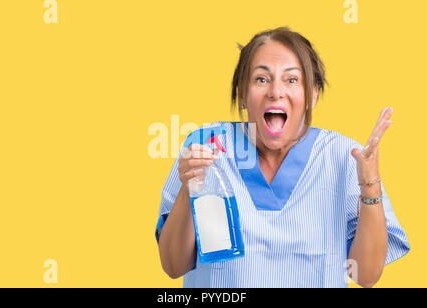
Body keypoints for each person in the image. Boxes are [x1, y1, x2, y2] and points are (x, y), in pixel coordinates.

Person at [155, 26, 410, 288]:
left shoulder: (345, 157)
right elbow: (174, 266)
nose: (275, 92)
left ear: (312, 95)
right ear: (242, 93)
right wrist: (189, 188)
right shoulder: (206, 148)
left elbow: (365, 276)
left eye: (291, 80)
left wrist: (370, 184)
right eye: (261, 79)